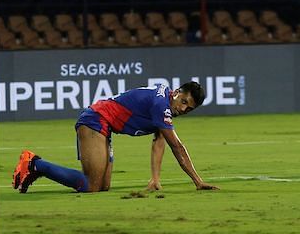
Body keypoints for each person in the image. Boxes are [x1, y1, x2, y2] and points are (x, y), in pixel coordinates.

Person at [12, 82, 219, 193]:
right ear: (177, 92)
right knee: (91, 186)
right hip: (95, 119)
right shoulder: (160, 105)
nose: (183, 109)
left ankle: (36, 167)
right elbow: (177, 147)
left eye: (188, 108)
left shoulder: (165, 102)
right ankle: (35, 164)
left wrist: (155, 179)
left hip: (106, 126)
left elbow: (159, 142)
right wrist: (198, 182)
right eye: (183, 101)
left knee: (104, 187)